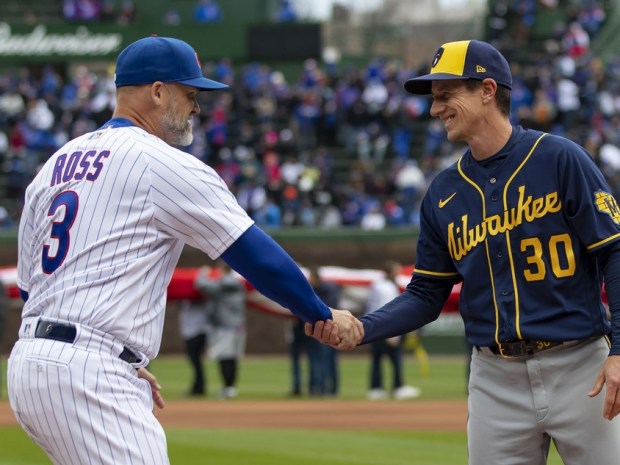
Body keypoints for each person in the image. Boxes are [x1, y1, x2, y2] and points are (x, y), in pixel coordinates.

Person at [7, 35, 361, 465]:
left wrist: (108, 352)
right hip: (86, 374)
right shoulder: (159, 162)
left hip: (31, 362)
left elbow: (31, 289)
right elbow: (254, 254)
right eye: (190, 94)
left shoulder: (56, 164)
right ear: (158, 92)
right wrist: (320, 313)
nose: (197, 107)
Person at [310, 39, 620, 465]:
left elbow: (615, 254)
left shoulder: (560, 159)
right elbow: (425, 294)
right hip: (495, 378)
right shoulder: (443, 192)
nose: (435, 109)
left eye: (446, 95)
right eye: (434, 99)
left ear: (487, 90)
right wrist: (364, 328)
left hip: (581, 365)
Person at [364, 260, 420, 400]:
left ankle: (375, 388)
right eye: (396, 270)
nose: (398, 273)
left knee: (377, 359)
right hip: (386, 328)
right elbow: (387, 310)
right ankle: (397, 387)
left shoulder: (378, 285)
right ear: (390, 272)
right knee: (395, 359)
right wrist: (392, 333)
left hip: (373, 326)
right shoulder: (387, 287)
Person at [195, 261, 246, 399]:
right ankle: (230, 387)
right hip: (236, 325)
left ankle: (228, 388)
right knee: (231, 358)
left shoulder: (227, 283)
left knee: (225, 357)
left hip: (226, 326)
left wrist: (202, 274)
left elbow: (202, 286)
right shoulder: (238, 283)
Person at [177, 292, 211, 397]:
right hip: (189, 331)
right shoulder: (183, 301)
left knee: (195, 360)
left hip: (198, 330)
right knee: (194, 360)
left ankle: (199, 387)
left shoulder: (200, 300)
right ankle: (198, 386)